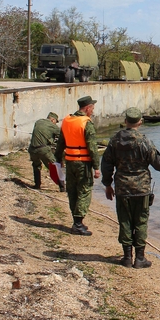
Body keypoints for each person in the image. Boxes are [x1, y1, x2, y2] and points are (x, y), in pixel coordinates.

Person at [102, 107, 160, 268]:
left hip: (122, 187)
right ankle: (140, 258)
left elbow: (106, 164)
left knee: (125, 220)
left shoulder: (114, 140)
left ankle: (126, 257)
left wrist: (107, 184)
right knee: (140, 221)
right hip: (141, 188)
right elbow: (159, 164)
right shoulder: (144, 141)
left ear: (125, 121)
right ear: (140, 122)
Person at [55, 96, 100, 236]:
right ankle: (78, 224)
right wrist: (96, 167)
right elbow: (92, 147)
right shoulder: (86, 123)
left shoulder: (67, 120)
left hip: (70, 161)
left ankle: (76, 220)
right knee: (84, 191)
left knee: (72, 191)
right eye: (92, 108)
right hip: (83, 163)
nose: (92, 111)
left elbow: (60, 142)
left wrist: (58, 159)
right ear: (87, 108)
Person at [28, 112, 63, 191]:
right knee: (55, 166)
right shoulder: (52, 126)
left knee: (36, 165)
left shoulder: (38, 122)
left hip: (32, 149)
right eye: (55, 121)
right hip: (43, 149)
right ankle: (62, 187)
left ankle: (37, 185)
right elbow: (61, 135)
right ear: (53, 119)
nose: (55, 123)